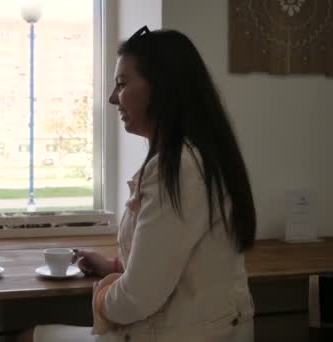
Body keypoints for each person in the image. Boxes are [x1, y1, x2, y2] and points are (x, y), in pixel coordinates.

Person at [22, 26, 257, 342]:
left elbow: (136, 299)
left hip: (179, 334)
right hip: (200, 329)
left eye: (121, 84)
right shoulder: (203, 155)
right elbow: (175, 254)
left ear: (162, 88)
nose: (112, 98)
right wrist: (115, 266)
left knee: (29, 336)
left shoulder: (177, 169)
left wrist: (102, 295)